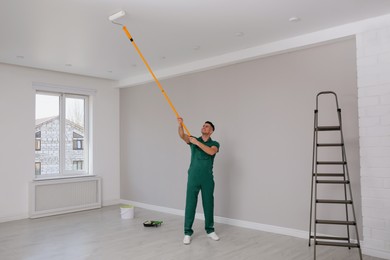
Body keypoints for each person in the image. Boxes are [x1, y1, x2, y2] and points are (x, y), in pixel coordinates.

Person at [177, 117, 220, 245]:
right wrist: (180, 125)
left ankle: (210, 230)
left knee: (208, 204)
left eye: (207, 126)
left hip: (207, 178)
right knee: (190, 204)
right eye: (203, 125)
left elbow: (211, 152)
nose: (204, 127)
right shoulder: (193, 140)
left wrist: (197, 143)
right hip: (193, 177)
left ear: (211, 131)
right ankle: (187, 232)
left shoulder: (214, 143)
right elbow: (182, 136)